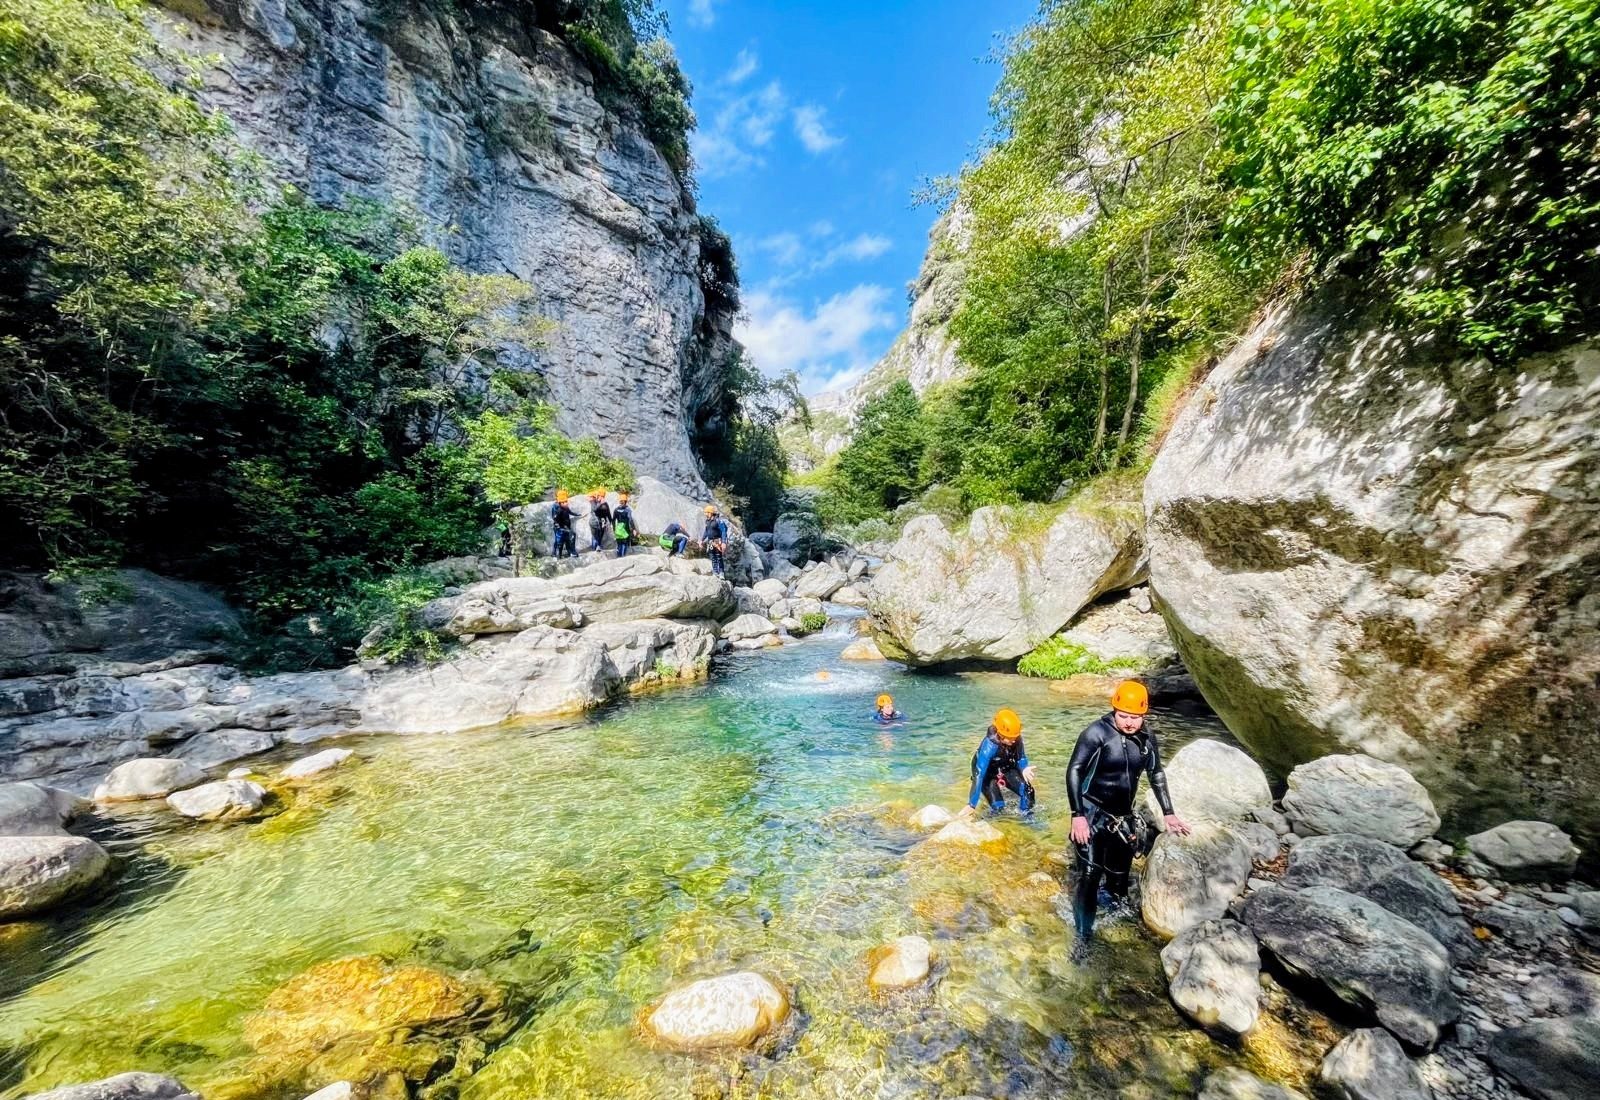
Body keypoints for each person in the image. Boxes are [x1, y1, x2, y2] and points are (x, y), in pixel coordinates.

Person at [1066, 680, 1191, 960]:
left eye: (1135, 717)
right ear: (1114, 709)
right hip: (1092, 813)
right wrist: (1078, 816)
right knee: (1089, 874)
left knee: (1120, 882)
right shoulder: (1096, 734)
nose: (1130, 722)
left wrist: (1169, 813)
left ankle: (1116, 924)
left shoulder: (1147, 738)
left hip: (1122, 817)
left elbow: (1156, 774)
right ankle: (1083, 938)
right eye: (1124, 716)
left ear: (1144, 715)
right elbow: (1074, 770)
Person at [958, 708, 1036, 819]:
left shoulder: (1015, 738)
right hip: (987, 774)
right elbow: (979, 774)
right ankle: (985, 819)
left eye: (1015, 737)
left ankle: (1026, 818)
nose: (1014, 740)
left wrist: (1024, 768)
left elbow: (1021, 757)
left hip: (1005, 767)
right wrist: (971, 804)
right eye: (1010, 738)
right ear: (1000, 734)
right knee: (999, 809)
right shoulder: (989, 746)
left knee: (1028, 791)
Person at [701, 504, 728, 577]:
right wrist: (702, 540)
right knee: (712, 557)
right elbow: (706, 531)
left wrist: (724, 542)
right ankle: (715, 572)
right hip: (710, 541)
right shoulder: (707, 521)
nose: (705, 514)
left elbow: (723, 531)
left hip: (718, 541)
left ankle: (721, 573)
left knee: (719, 557)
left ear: (710, 512)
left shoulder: (718, 521)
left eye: (706, 512)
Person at [550, 490, 577, 560]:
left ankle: (568, 551)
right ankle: (555, 553)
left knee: (566, 539)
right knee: (558, 540)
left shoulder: (564, 506)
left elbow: (569, 511)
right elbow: (555, 517)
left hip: (565, 525)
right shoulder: (556, 506)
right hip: (560, 527)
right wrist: (558, 525)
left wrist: (576, 514)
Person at [587, 488, 612, 553]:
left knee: (600, 535)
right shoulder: (594, 502)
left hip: (602, 522)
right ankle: (595, 548)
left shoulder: (605, 504)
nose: (601, 498)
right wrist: (600, 504)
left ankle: (598, 546)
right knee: (595, 536)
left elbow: (608, 514)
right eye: (601, 496)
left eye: (603, 496)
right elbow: (595, 509)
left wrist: (611, 522)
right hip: (594, 522)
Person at [613, 491, 635, 558]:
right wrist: (633, 529)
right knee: (625, 543)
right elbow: (630, 520)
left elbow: (613, 520)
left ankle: (618, 556)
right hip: (626, 529)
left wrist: (614, 529)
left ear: (620, 501)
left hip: (618, 529)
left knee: (619, 543)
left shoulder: (616, 510)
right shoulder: (627, 510)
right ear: (626, 501)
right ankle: (623, 557)